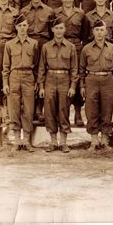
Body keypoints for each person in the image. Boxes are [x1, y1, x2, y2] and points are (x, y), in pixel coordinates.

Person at [37, 17, 78, 153]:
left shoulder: (71, 47)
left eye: (61, 28)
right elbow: (42, 68)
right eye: (57, 28)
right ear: (52, 30)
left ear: (65, 30)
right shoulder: (46, 47)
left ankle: (64, 142)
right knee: (49, 110)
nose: (59, 31)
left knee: (63, 109)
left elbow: (74, 69)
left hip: (65, 80)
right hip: (50, 79)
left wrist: (73, 86)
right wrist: (41, 87)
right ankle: (53, 142)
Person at [79, 20, 113, 151]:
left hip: (107, 79)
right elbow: (81, 69)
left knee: (107, 109)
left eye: (101, 30)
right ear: (93, 32)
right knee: (91, 109)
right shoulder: (86, 48)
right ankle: (94, 141)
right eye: (97, 30)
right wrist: (82, 86)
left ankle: (104, 140)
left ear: (106, 32)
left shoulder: (112, 48)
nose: (99, 33)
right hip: (91, 79)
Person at [2, 14, 39, 156]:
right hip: (14, 76)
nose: (22, 28)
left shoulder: (34, 44)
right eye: (20, 26)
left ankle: (27, 141)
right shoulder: (9, 45)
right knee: (14, 109)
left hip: (28, 76)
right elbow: (5, 66)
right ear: (16, 27)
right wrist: (5, 83)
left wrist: (36, 81)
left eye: (24, 25)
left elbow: (36, 65)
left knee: (29, 109)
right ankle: (17, 141)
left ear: (27, 26)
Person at [19, 0, 55, 121]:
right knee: (30, 74)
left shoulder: (49, 11)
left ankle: (40, 109)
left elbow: (52, 33)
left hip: (43, 44)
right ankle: (29, 108)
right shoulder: (23, 11)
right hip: (28, 45)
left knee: (42, 74)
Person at [54, 0, 87, 127]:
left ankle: (78, 113)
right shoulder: (56, 13)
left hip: (76, 47)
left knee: (77, 77)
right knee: (62, 78)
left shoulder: (80, 13)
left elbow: (84, 34)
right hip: (60, 46)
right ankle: (61, 114)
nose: (68, 0)